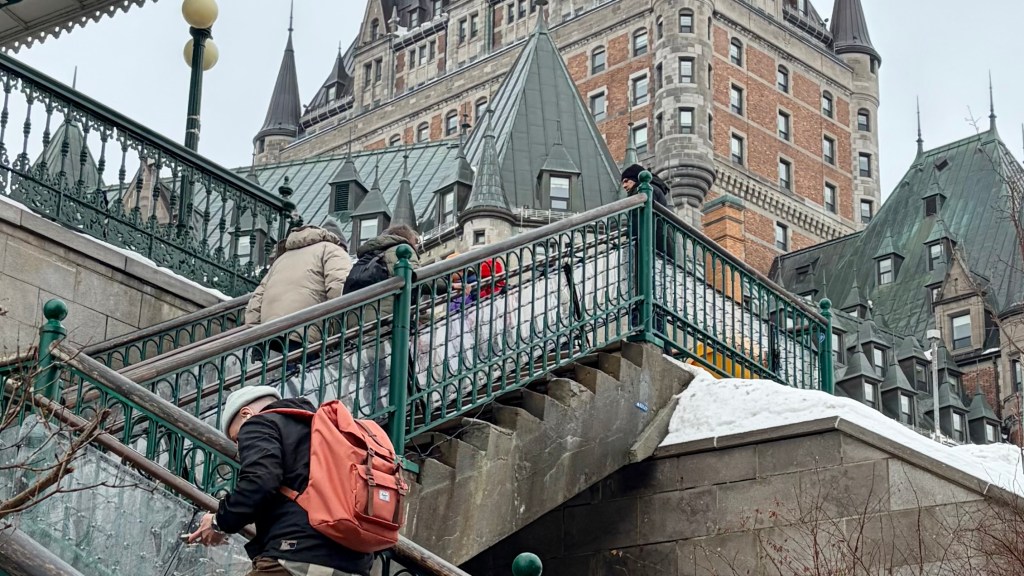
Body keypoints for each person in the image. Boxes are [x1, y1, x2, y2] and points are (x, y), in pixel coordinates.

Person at [187, 386, 374, 576]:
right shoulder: (324, 430)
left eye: (237, 438)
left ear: (246, 413)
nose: (239, 446)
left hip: (296, 555)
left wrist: (219, 521)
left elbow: (260, 481)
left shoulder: (259, 422)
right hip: (353, 564)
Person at [245, 221, 352, 367]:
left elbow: (256, 299)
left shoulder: (282, 259)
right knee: (305, 383)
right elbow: (339, 289)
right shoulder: (333, 250)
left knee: (286, 381)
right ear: (341, 243)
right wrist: (339, 332)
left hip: (271, 331)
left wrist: (256, 338)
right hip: (304, 330)